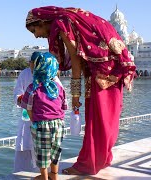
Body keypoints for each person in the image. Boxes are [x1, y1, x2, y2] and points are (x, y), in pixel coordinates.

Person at [25, 6, 136, 175]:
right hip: (113, 70)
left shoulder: (62, 24)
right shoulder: (70, 17)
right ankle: (102, 159)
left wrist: (75, 96)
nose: (36, 35)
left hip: (100, 74)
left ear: (42, 21)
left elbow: (76, 63)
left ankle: (87, 164)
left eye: (35, 30)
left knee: (96, 119)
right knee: (108, 119)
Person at [19, 52, 67, 180]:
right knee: (55, 151)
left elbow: (28, 108)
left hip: (41, 124)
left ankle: (44, 177)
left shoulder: (33, 88)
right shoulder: (58, 88)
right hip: (59, 124)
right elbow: (64, 106)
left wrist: (34, 120)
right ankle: (55, 176)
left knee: (42, 153)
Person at [13, 56, 36, 173]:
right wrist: (21, 99)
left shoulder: (48, 73)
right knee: (25, 143)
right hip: (26, 114)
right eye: (31, 63)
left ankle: (44, 173)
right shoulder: (25, 73)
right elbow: (18, 92)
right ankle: (22, 172)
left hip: (42, 116)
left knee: (42, 147)